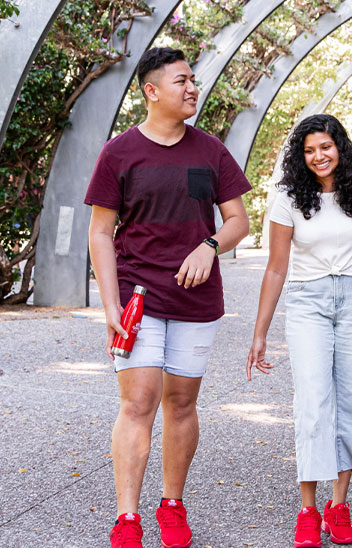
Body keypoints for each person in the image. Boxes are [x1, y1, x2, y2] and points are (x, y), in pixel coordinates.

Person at [86, 47, 251, 548]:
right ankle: (128, 518)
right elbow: (100, 233)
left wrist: (209, 246)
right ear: (151, 91)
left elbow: (238, 221)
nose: (192, 88)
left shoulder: (211, 151)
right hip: (139, 297)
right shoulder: (119, 152)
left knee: (181, 403)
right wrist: (109, 304)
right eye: (181, 81)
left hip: (196, 303)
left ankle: (172, 504)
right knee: (138, 402)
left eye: (193, 80)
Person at [246, 114, 352, 548]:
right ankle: (307, 510)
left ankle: (338, 505)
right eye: (309, 150)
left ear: (340, 146)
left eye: (326, 146)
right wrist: (260, 332)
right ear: (301, 156)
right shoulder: (287, 197)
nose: (319, 156)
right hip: (308, 302)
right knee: (313, 403)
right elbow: (276, 268)